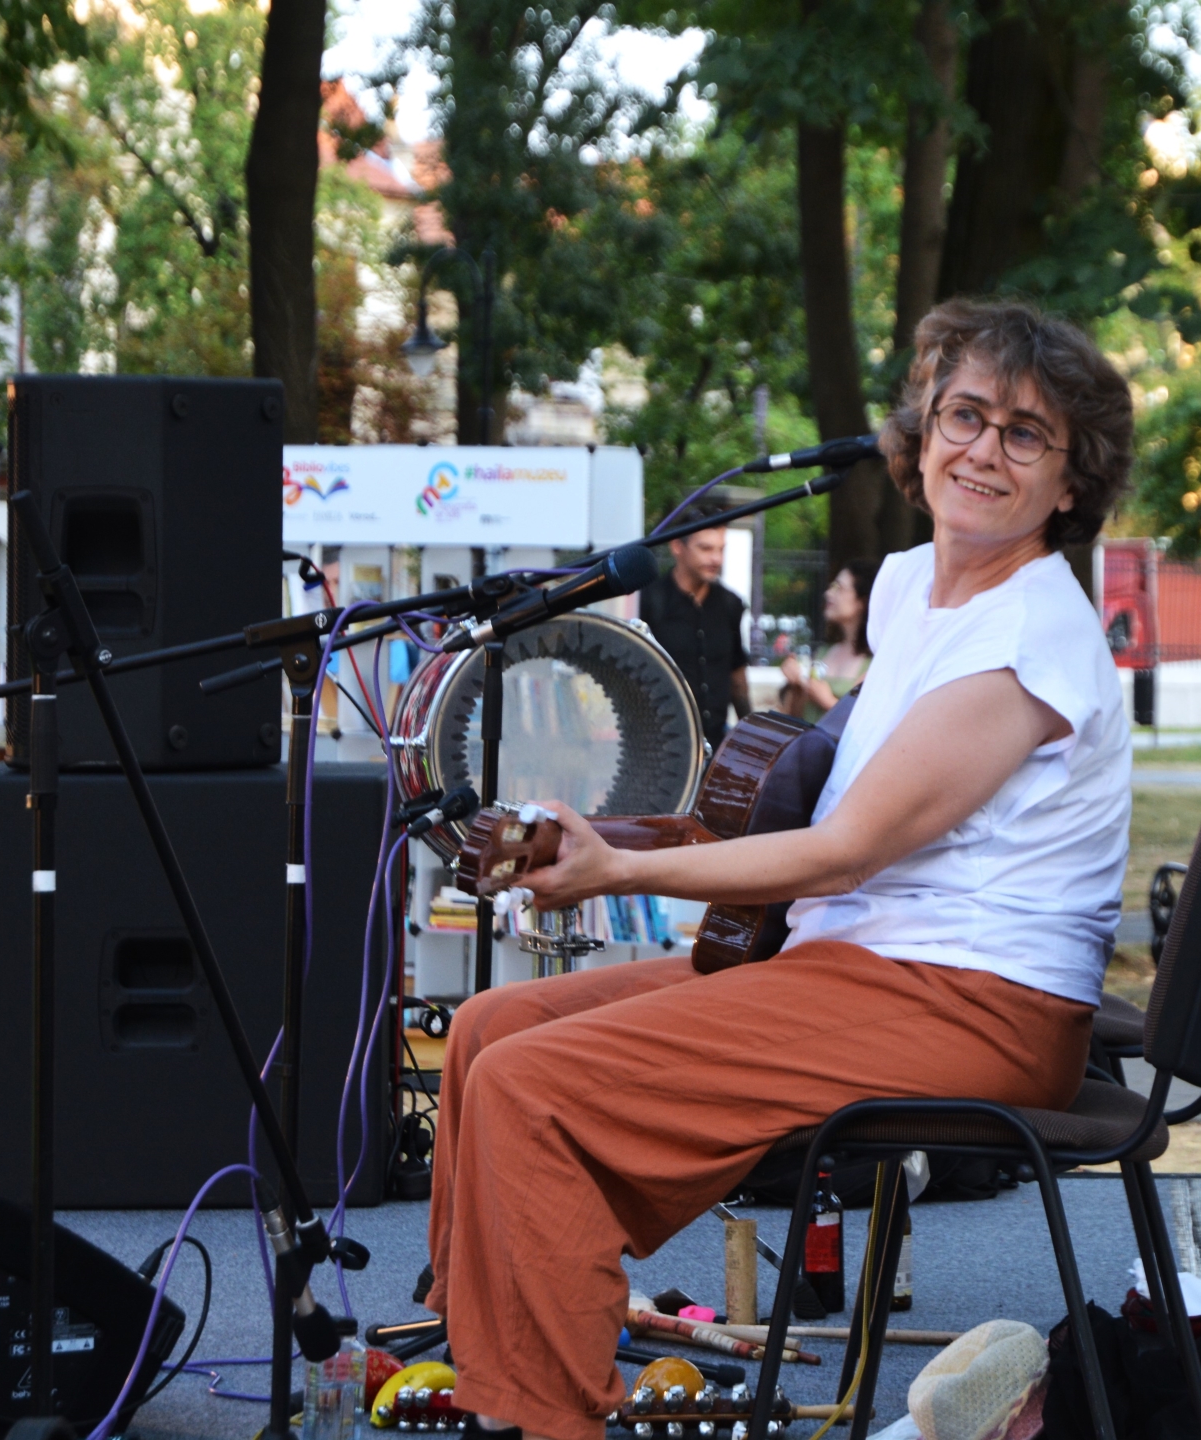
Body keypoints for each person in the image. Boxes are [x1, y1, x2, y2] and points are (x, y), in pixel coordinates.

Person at [424, 297, 1135, 1439]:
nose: (983, 451)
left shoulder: (1032, 635)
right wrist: (624, 840)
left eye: (1024, 433)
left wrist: (617, 873)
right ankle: (494, 1371)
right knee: (487, 1036)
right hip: (857, 961)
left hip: (972, 1003)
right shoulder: (910, 586)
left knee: (531, 1088)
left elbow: (849, 846)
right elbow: (830, 810)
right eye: (964, 415)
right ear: (920, 434)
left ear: (1070, 481)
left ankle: (547, 1415)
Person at [639, 511, 752, 751]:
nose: (716, 559)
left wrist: (750, 735)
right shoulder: (651, 600)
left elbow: (737, 676)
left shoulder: (730, 604)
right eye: (706, 548)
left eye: (721, 549)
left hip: (716, 744)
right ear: (677, 547)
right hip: (660, 745)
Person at [777, 560, 880, 718]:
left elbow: (870, 726)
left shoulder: (876, 662)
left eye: (839, 588)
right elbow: (797, 718)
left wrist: (827, 701)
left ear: (862, 602)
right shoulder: (823, 652)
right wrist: (797, 685)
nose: (828, 594)